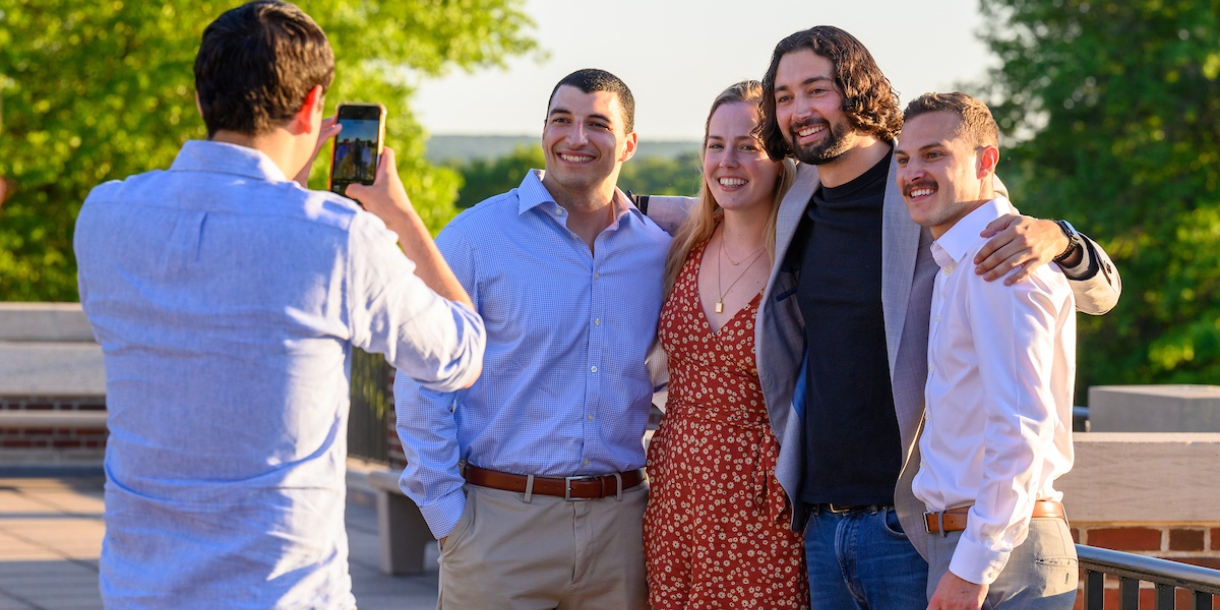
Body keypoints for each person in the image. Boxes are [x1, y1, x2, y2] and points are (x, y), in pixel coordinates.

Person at [642, 25, 1119, 609]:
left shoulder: (922, 181)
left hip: (909, 525)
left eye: (816, 89)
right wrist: (610, 200)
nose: (799, 110)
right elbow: (720, 195)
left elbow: (1086, 291)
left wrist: (1060, 237)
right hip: (820, 523)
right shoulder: (799, 194)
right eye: (784, 97)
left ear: (857, 89)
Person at [73, 2, 485, 607]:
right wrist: (398, 215)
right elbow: (461, 354)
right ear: (313, 105)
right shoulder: (338, 236)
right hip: (282, 593)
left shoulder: (105, 216)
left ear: (200, 98)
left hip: (140, 589)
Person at [393, 69, 670, 609]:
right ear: (543, 130)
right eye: (561, 120)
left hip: (623, 533)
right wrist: (448, 517)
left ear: (629, 143)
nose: (576, 138)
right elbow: (421, 376)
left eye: (597, 124)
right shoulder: (476, 238)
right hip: (498, 529)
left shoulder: (658, 253)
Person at [896, 92, 1077, 610]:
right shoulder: (961, 261)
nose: (914, 173)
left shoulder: (999, 266)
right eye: (904, 159)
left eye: (934, 154)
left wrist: (972, 570)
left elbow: (1021, 429)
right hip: (974, 544)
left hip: (999, 554)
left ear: (986, 161)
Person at [642, 80, 805, 609]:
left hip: (762, 498)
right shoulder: (680, 244)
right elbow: (598, 199)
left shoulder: (805, 258)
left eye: (749, 145)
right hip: (676, 491)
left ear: (781, 158)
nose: (727, 161)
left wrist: (1058, 240)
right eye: (715, 144)